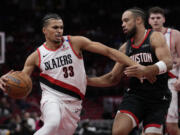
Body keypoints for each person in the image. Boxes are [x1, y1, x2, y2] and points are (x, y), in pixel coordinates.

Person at [0, 13, 145, 135]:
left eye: (61, 27)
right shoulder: (36, 56)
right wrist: (6, 80)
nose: (59, 30)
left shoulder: (74, 42)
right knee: (52, 122)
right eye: (55, 27)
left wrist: (137, 66)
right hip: (52, 97)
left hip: (74, 103)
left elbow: (109, 52)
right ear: (45, 30)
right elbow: (22, 80)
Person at [87, 8, 173, 135]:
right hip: (135, 96)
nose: (122, 24)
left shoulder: (154, 37)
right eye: (122, 21)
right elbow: (112, 78)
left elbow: (168, 62)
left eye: (126, 20)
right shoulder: (124, 48)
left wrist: (147, 70)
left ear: (138, 20)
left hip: (158, 98)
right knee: (118, 131)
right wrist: (86, 80)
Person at [148, 6, 180, 135]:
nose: (155, 20)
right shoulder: (145, 36)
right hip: (151, 83)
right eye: (153, 18)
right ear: (149, 21)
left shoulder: (175, 34)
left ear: (164, 19)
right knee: (152, 126)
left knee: (171, 126)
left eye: (158, 18)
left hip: (170, 81)